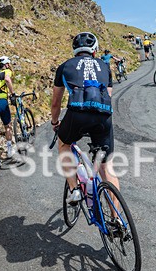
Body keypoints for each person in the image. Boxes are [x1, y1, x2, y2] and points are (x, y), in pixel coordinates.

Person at [51, 32, 119, 206]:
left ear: (75, 50)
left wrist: (55, 123)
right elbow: (108, 96)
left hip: (77, 114)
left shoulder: (64, 67)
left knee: (64, 144)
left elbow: (56, 103)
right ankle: (117, 221)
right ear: (94, 50)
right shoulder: (104, 66)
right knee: (106, 166)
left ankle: (74, 190)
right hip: (103, 115)